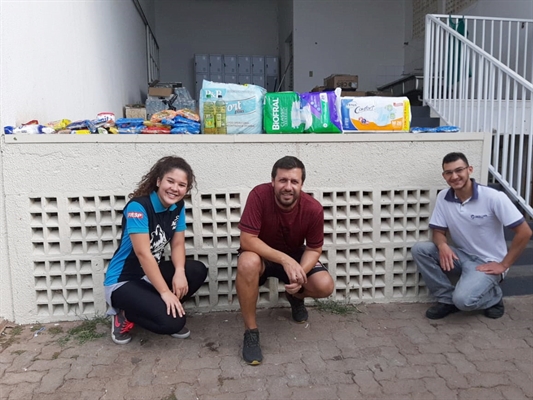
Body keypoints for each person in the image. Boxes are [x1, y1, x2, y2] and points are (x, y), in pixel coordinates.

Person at [236, 156, 335, 365]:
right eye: (282, 180)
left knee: (325, 286)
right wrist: (284, 259)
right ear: (272, 181)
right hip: (262, 256)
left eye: (294, 181)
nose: (288, 186)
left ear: (301, 185)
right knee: (247, 262)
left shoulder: (313, 208)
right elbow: (247, 240)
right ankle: (251, 332)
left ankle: (296, 296)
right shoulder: (259, 195)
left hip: (295, 256)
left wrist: (299, 274)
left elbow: (314, 248)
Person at [412, 152, 532, 320]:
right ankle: (446, 299)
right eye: (449, 172)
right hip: (461, 256)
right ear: (444, 176)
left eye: (459, 170)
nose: (454, 176)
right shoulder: (443, 197)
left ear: (470, 170)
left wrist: (504, 265)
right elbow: (438, 231)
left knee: (464, 301)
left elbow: (525, 232)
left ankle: (493, 297)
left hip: (488, 262)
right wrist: (443, 245)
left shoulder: (493, 197)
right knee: (420, 249)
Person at [104, 156, 207, 344]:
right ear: (158, 181)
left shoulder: (178, 206)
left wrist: (180, 272)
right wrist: (165, 292)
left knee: (196, 270)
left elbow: (177, 244)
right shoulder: (138, 207)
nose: (175, 188)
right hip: (123, 281)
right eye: (170, 181)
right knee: (173, 323)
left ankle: (161, 308)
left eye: (182, 185)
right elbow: (143, 254)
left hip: (148, 276)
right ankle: (124, 314)